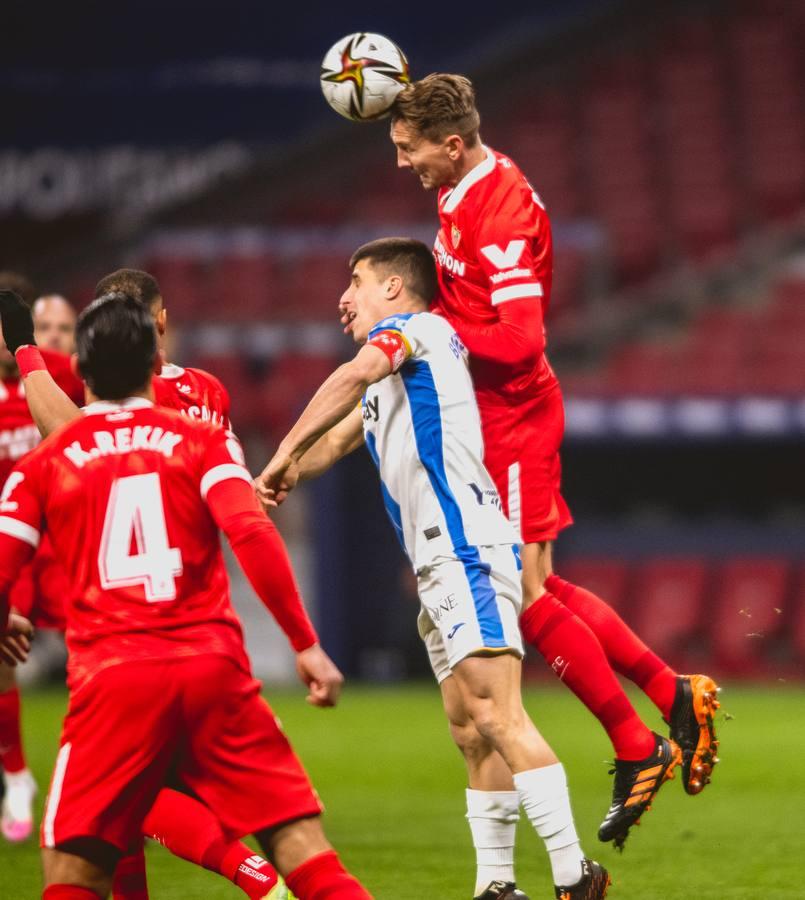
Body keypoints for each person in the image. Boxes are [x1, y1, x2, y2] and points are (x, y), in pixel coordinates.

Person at [378, 73, 721, 850]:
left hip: (512, 415)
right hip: (490, 415)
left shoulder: (496, 212)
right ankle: (673, 693)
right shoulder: (461, 183)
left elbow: (522, 339)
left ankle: (637, 745)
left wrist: (437, 337)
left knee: (524, 597)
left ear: (453, 145)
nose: (404, 164)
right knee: (540, 585)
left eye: (410, 150)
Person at [257, 238, 611, 900]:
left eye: (355, 281)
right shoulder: (394, 365)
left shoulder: (412, 330)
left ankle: (575, 877)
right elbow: (336, 436)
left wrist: (280, 449)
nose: (343, 298)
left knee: (497, 713)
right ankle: (496, 886)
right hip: (438, 560)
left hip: (464, 549)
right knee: (470, 729)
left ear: (393, 288)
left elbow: (348, 379)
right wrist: (270, 480)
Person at [0, 292, 372, 900]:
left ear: (83, 373)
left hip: (111, 677)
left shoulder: (45, 463)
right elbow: (251, 529)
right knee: (306, 853)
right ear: (154, 362)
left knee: (71, 872)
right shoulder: (203, 440)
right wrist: (305, 643)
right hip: (213, 672)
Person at [0, 273, 84, 844]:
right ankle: (16, 774)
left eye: (63, 330)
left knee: (100, 651)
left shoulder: (68, 381)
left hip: (69, 537)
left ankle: (101, 765)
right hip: (11, 539)